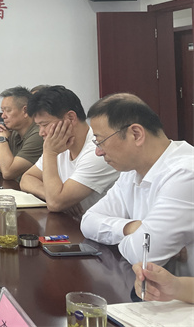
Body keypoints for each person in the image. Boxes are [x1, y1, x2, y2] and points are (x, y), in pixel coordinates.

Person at [81, 93, 194, 276]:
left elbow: (143, 255)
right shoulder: (131, 172)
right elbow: (88, 222)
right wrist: (132, 227)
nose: (98, 152)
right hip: (155, 288)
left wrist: (138, 239)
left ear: (136, 134)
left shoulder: (186, 174)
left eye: (101, 141)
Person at [20, 86, 119, 214]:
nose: (41, 133)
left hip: (96, 225)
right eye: (38, 126)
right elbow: (27, 178)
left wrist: (50, 153)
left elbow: (55, 203)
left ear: (71, 118)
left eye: (44, 125)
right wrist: (50, 194)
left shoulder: (98, 151)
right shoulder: (60, 144)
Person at [0, 86, 43, 180]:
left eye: (7, 110)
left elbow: (8, 173)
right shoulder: (15, 132)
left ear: (25, 111)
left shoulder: (39, 135)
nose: (3, 116)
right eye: (2, 111)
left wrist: (2, 139)